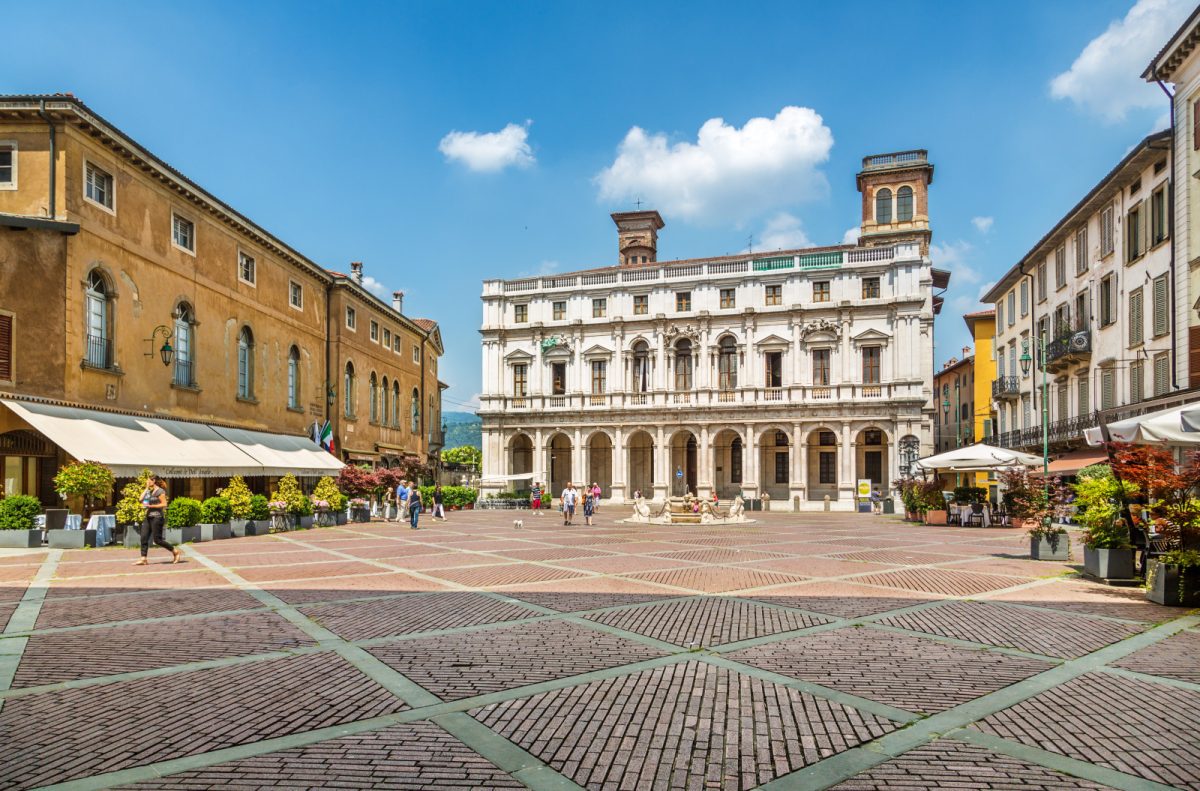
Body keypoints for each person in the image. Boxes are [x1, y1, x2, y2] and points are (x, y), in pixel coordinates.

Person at [136, 475, 181, 566]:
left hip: (157, 517)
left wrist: (151, 506)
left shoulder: (160, 491)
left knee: (158, 540)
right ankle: (143, 558)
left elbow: (164, 504)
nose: (147, 482)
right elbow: (141, 499)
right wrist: (146, 488)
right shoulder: (150, 491)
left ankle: (175, 551)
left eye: (149, 481)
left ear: (154, 481)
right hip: (148, 517)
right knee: (143, 537)